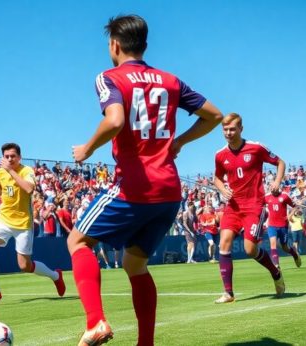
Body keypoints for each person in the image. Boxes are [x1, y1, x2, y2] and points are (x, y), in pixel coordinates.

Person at [69, 15, 223, 345]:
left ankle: (95, 322)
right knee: (135, 264)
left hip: (134, 187)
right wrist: (179, 141)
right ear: (145, 45)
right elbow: (215, 116)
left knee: (77, 242)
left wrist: (86, 148)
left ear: (114, 45)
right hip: (169, 192)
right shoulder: (170, 81)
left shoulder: (108, 78)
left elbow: (114, 120)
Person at [0, 143, 66, 307]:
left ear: (19, 157)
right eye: (7, 156)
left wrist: (11, 170)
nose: (10, 159)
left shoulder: (27, 171)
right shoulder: (0, 172)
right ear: (3, 157)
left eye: (13, 156)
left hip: (23, 223)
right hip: (4, 220)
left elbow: (28, 189)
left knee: (25, 265)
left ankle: (55, 276)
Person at [213, 113, 286, 304]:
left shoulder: (256, 148)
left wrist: (277, 181)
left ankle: (275, 273)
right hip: (233, 207)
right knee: (224, 243)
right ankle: (228, 293)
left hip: (254, 206)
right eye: (225, 129)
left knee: (250, 250)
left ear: (241, 129)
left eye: (232, 129)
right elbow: (217, 178)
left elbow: (280, 162)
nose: (228, 133)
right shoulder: (220, 155)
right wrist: (223, 190)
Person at [265, 189, 302, 268]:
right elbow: (259, 205)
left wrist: (290, 215)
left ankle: (294, 254)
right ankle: (276, 265)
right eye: (271, 188)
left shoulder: (285, 195)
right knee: (273, 244)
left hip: (283, 226)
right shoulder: (267, 196)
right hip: (271, 225)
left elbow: (295, 206)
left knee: (285, 247)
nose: (272, 190)